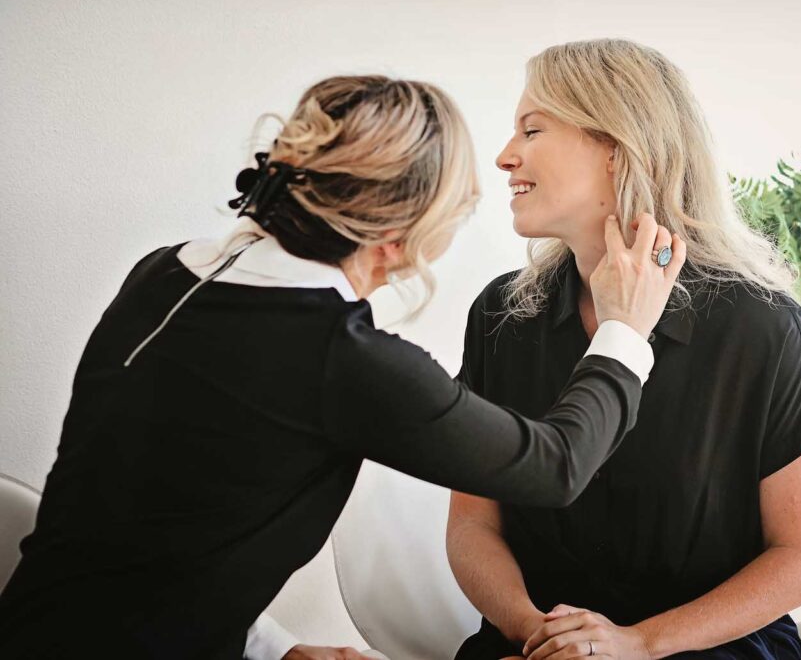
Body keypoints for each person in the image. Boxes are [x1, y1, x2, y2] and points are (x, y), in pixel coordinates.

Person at [0, 74, 686, 660]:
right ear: (394, 239)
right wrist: (625, 328)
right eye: (459, 209)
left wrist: (271, 647)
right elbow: (555, 465)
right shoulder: (343, 360)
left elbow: (141, 532)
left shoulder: (165, 273)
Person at [447, 39, 801, 660]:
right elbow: (473, 526)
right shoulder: (501, 316)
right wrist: (538, 633)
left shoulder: (760, 325)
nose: (504, 156)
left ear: (615, 146)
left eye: (532, 129)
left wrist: (639, 643)